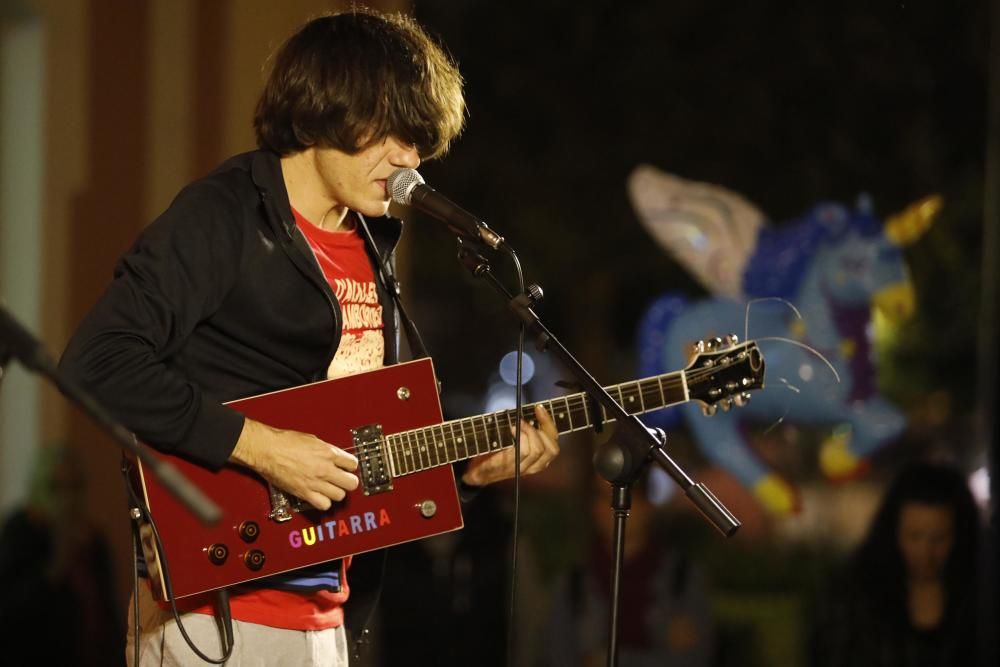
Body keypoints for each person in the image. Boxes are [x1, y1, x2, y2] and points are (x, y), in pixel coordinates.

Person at [58, 8, 559, 666]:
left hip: (328, 615)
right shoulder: (224, 216)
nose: (410, 159)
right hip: (213, 615)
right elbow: (97, 361)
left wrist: (472, 466)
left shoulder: (376, 251)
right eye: (393, 133)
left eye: (418, 141)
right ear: (328, 106)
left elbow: (367, 452)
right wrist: (261, 446)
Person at [810, 459, 983, 667]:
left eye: (939, 539)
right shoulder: (854, 595)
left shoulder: (980, 594)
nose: (925, 552)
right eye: (914, 537)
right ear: (893, 532)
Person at [542, 470, 715, 667]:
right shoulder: (574, 584)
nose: (612, 506)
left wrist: (608, 660)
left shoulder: (681, 578)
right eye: (602, 497)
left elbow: (693, 657)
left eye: (623, 493)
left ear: (647, 504)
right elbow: (558, 655)